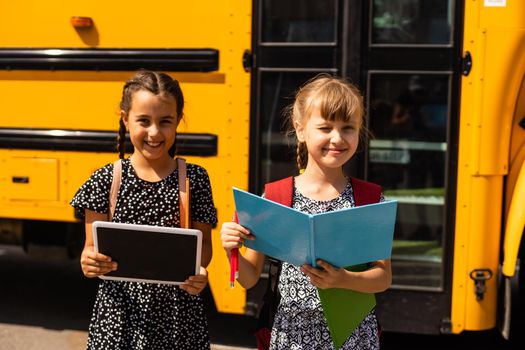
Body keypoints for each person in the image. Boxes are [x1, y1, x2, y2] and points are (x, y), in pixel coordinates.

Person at [221, 75, 392, 350]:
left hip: (354, 337)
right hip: (291, 337)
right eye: (325, 127)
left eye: (348, 128)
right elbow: (250, 277)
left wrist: (343, 279)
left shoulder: (369, 199)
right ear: (300, 130)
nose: (337, 138)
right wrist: (232, 250)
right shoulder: (276, 198)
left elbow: (383, 277)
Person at [70, 70, 217, 349]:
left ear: (178, 122)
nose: (154, 132)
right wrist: (90, 263)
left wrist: (199, 272)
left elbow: (204, 247)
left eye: (165, 122)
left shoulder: (194, 178)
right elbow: (90, 250)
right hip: (118, 318)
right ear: (125, 119)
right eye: (143, 121)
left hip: (179, 318)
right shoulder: (106, 179)